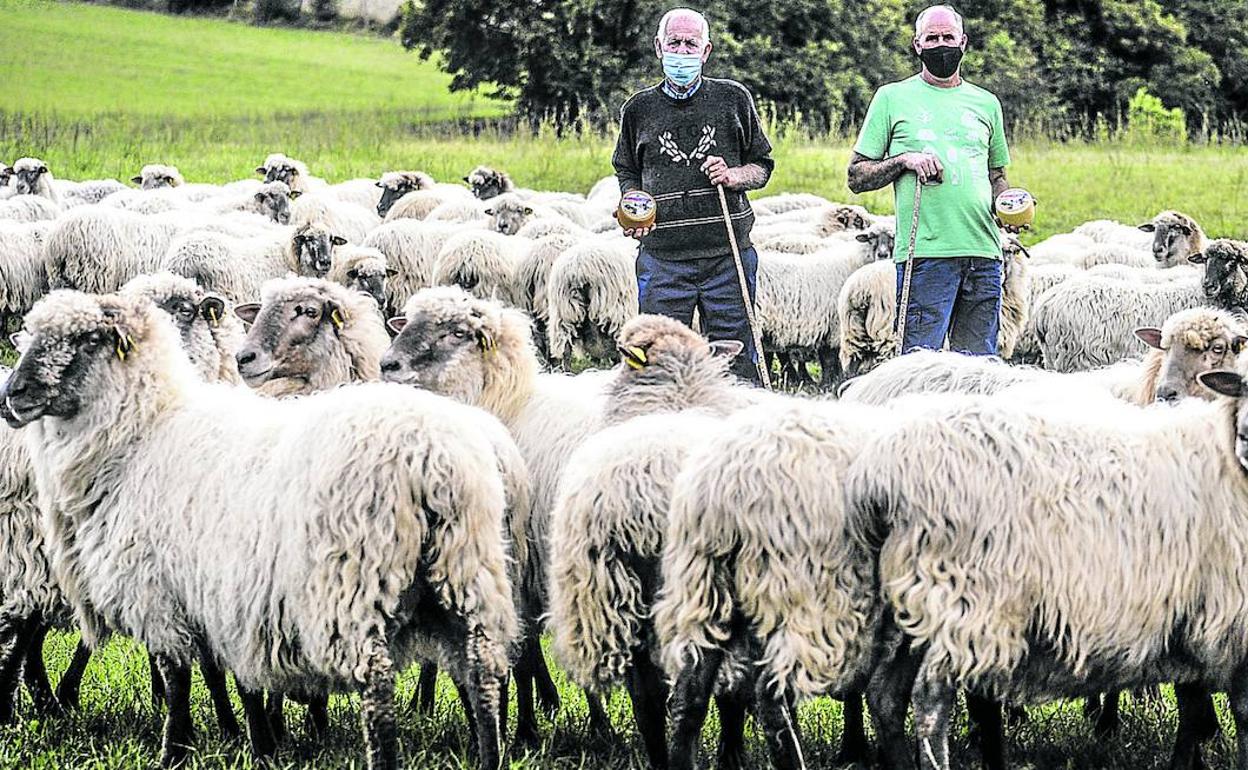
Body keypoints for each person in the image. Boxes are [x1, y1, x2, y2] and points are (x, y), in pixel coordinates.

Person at [612, 7, 775, 384]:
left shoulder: (733, 99)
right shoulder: (638, 109)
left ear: (706, 52)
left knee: (735, 357)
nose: (682, 52)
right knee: (655, 358)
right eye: (674, 43)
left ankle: (737, 429)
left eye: (691, 44)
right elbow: (627, 170)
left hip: (727, 256)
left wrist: (734, 175)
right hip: (663, 259)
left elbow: (762, 166)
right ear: (658, 47)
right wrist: (633, 205)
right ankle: (656, 428)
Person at [847, 4, 1013, 357]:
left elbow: (996, 174)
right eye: (932, 38)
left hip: (983, 252)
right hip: (925, 255)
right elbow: (857, 175)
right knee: (919, 363)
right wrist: (905, 160)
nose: (941, 46)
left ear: (963, 42)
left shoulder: (986, 103)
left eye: (948, 37)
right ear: (917, 45)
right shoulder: (892, 98)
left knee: (980, 366)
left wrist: (1009, 202)